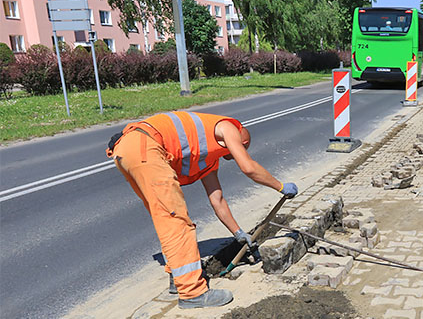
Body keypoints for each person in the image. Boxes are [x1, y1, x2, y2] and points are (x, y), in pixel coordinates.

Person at [106, 111, 298, 309]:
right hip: (144, 147)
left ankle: (177, 279)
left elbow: (218, 200)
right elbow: (248, 167)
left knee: (166, 218)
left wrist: (238, 233)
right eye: (239, 147)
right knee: (177, 222)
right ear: (240, 138)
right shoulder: (229, 127)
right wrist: (280, 186)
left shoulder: (207, 157)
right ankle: (192, 293)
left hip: (129, 150)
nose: (235, 152)